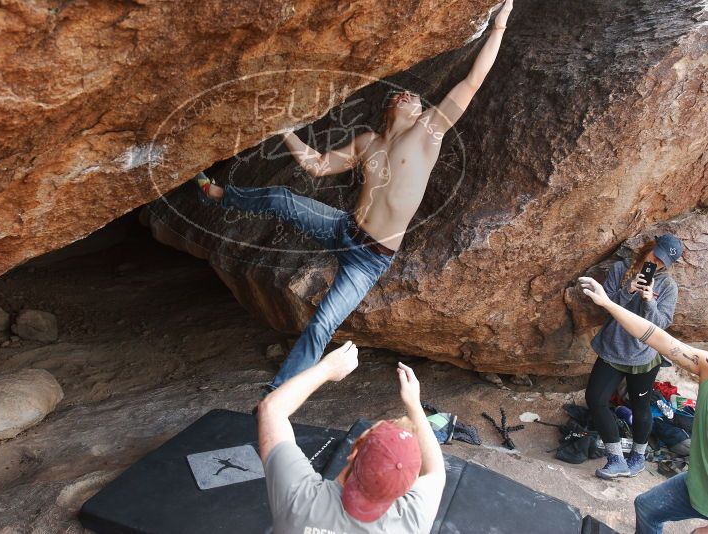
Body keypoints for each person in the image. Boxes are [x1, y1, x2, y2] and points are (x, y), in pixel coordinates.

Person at [191, 1, 514, 390]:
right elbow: (316, 165)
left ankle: (280, 391)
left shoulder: (430, 130)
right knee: (281, 198)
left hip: (370, 259)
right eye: (403, 94)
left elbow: (472, 81)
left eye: (415, 95)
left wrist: (498, 27)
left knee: (323, 323)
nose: (410, 94)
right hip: (343, 228)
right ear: (389, 108)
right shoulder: (368, 143)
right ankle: (217, 193)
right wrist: (283, 129)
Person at [256, 340, 445, 533]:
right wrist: (414, 403)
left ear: (353, 452)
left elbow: (272, 409)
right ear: (409, 484)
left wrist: (327, 368)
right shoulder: (413, 521)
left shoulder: (299, 501)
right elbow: (436, 471)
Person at [578, 276, 707, 534]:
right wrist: (608, 303)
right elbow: (656, 337)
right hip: (698, 483)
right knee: (646, 507)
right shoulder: (705, 364)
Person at [585, 233, 683, 479]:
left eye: (662, 263)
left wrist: (649, 301)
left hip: (643, 357)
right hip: (612, 349)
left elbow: (662, 325)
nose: (656, 264)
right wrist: (629, 289)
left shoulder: (667, 286)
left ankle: (638, 456)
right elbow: (604, 305)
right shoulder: (621, 269)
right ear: (649, 247)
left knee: (640, 408)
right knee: (595, 399)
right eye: (655, 256)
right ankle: (616, 458)